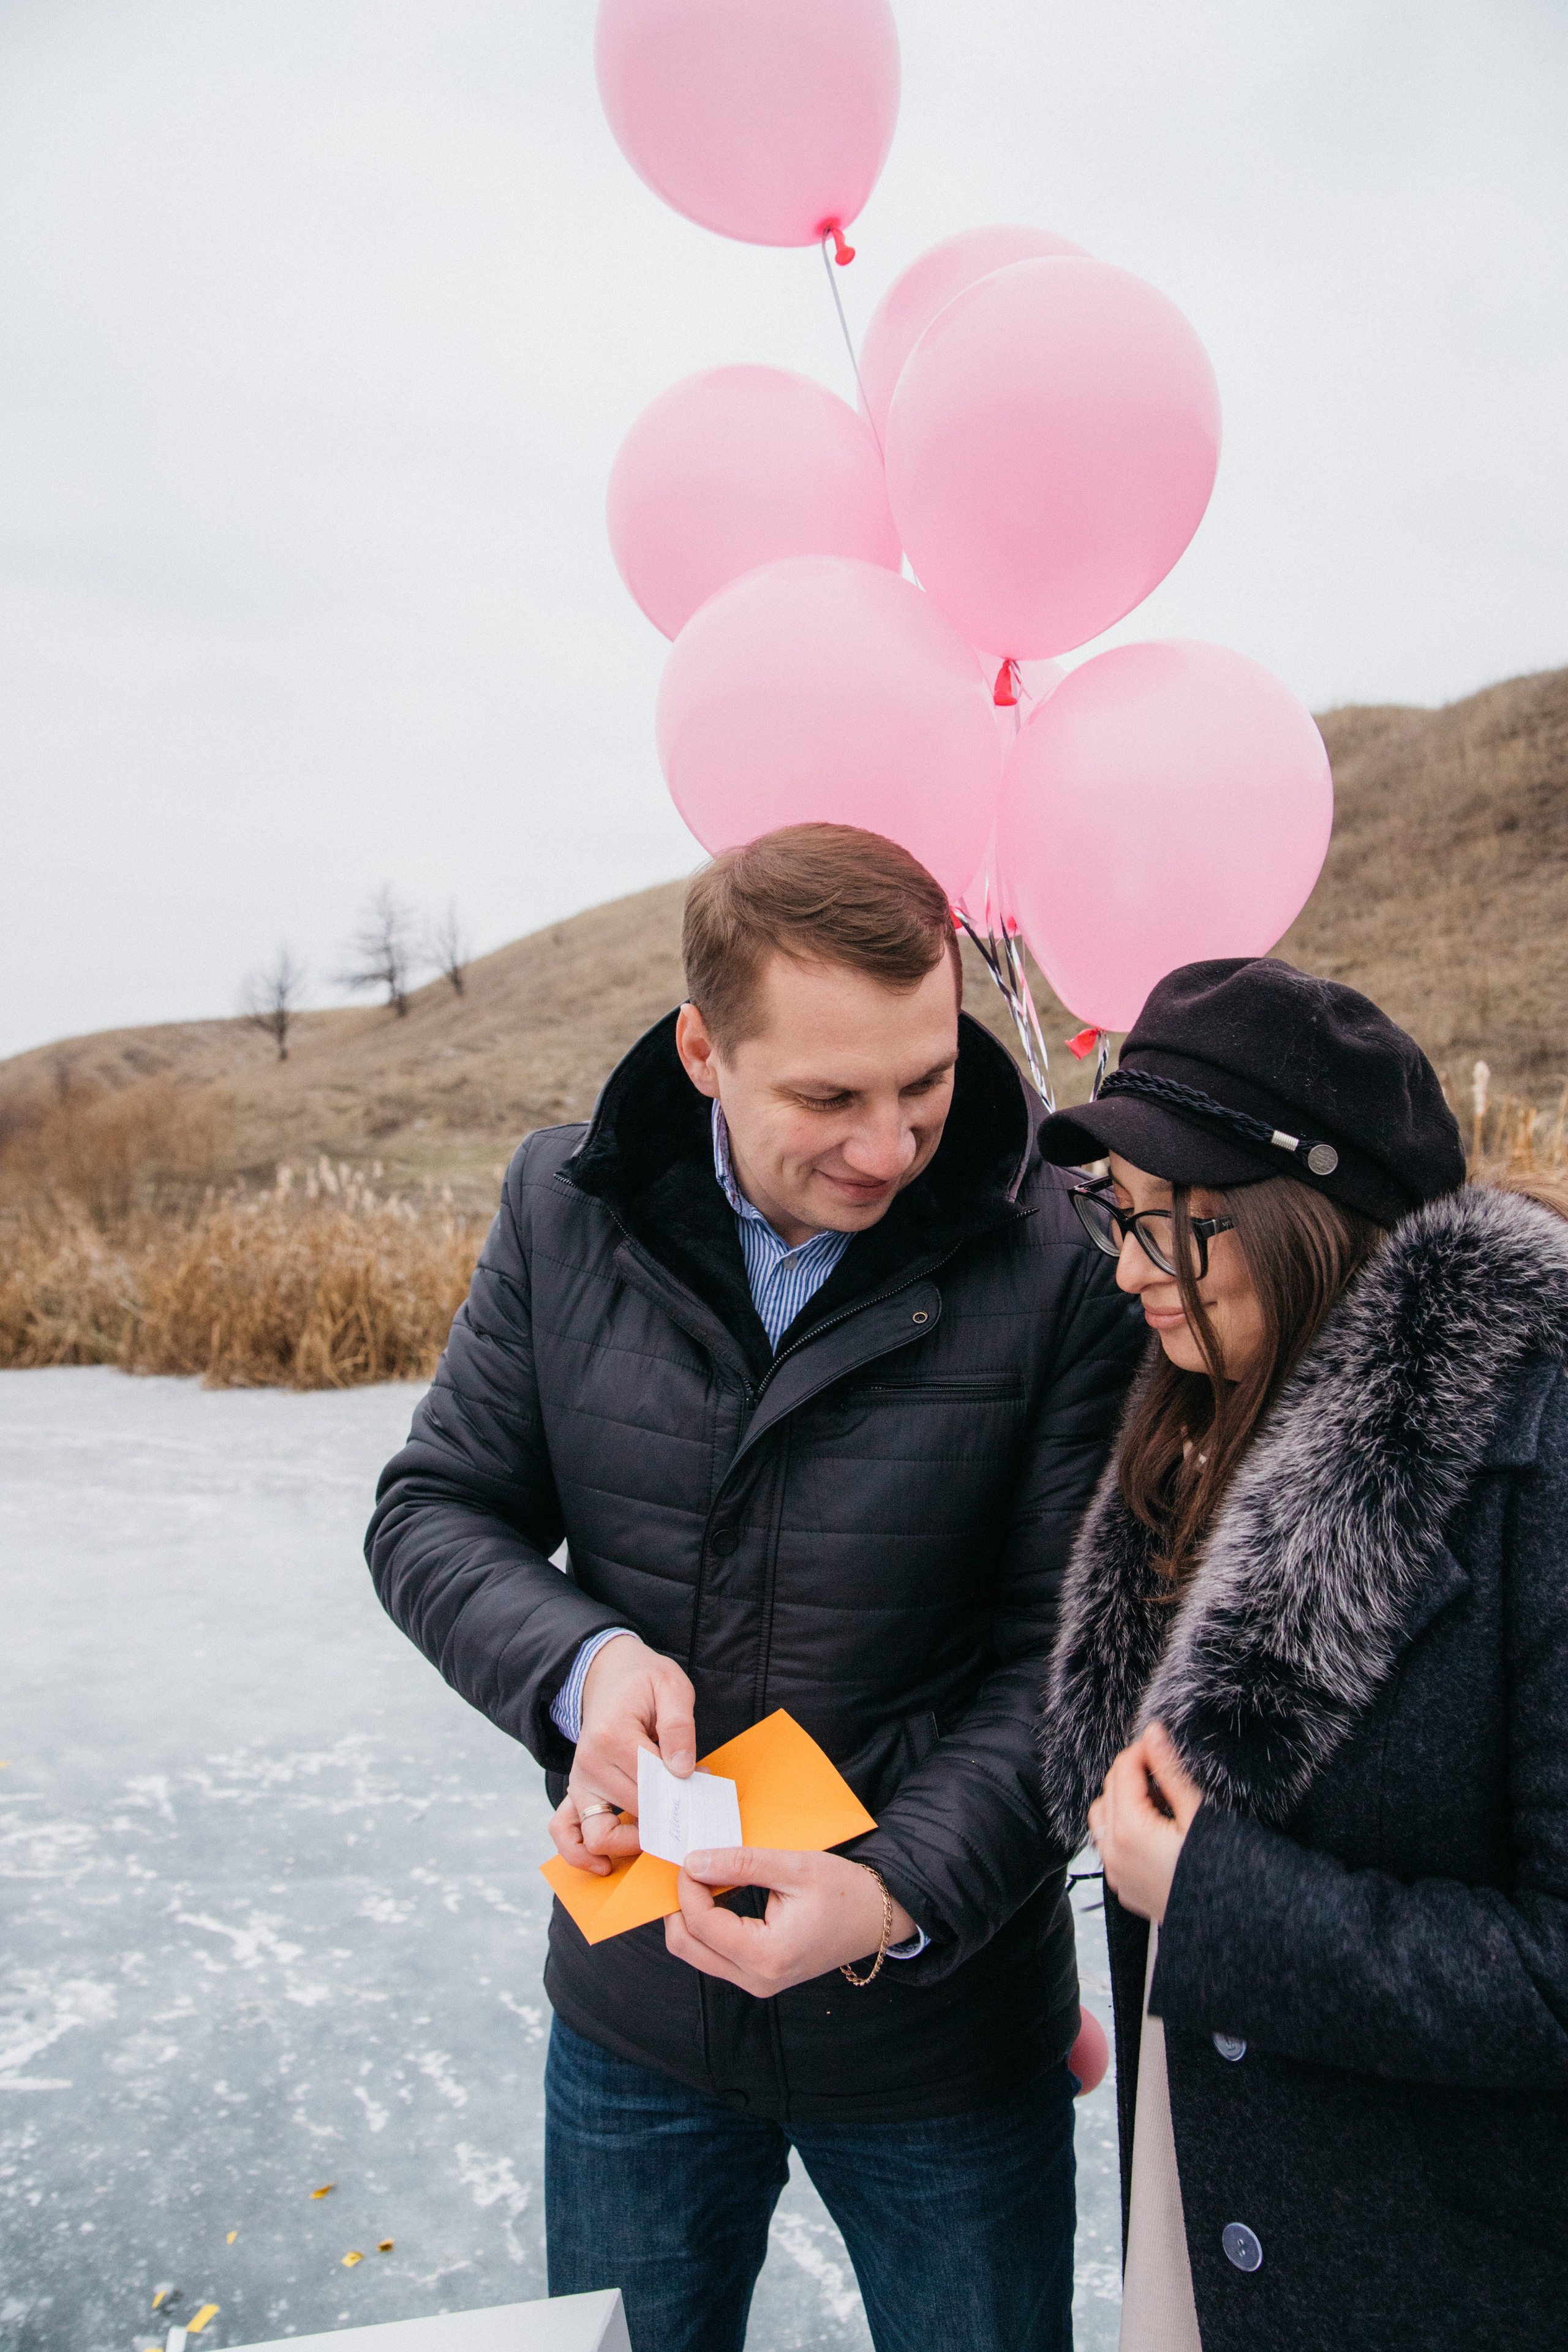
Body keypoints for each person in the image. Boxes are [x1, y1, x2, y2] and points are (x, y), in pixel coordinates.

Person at [366, 823, 1144, 2352]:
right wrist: (580, 1666)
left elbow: (1067, 1661)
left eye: (924, 1083)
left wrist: (893, 1891)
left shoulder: (1062, 1260)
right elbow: (433, 1510)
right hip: (635, 2025)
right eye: (828, 1098)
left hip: (941, 2041)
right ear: (702, 1049)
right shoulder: (558, 1207)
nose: (888, 1144)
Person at [1033, 954, 1568, 2352]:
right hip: (1210, 2186)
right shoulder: (1194, 1413)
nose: (1131, 1271)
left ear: (1303, 1220)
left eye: (1180, 1228)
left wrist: (1217, 1899)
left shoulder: (1539, 1463)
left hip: (1430, 2258)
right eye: (1118, 1217)